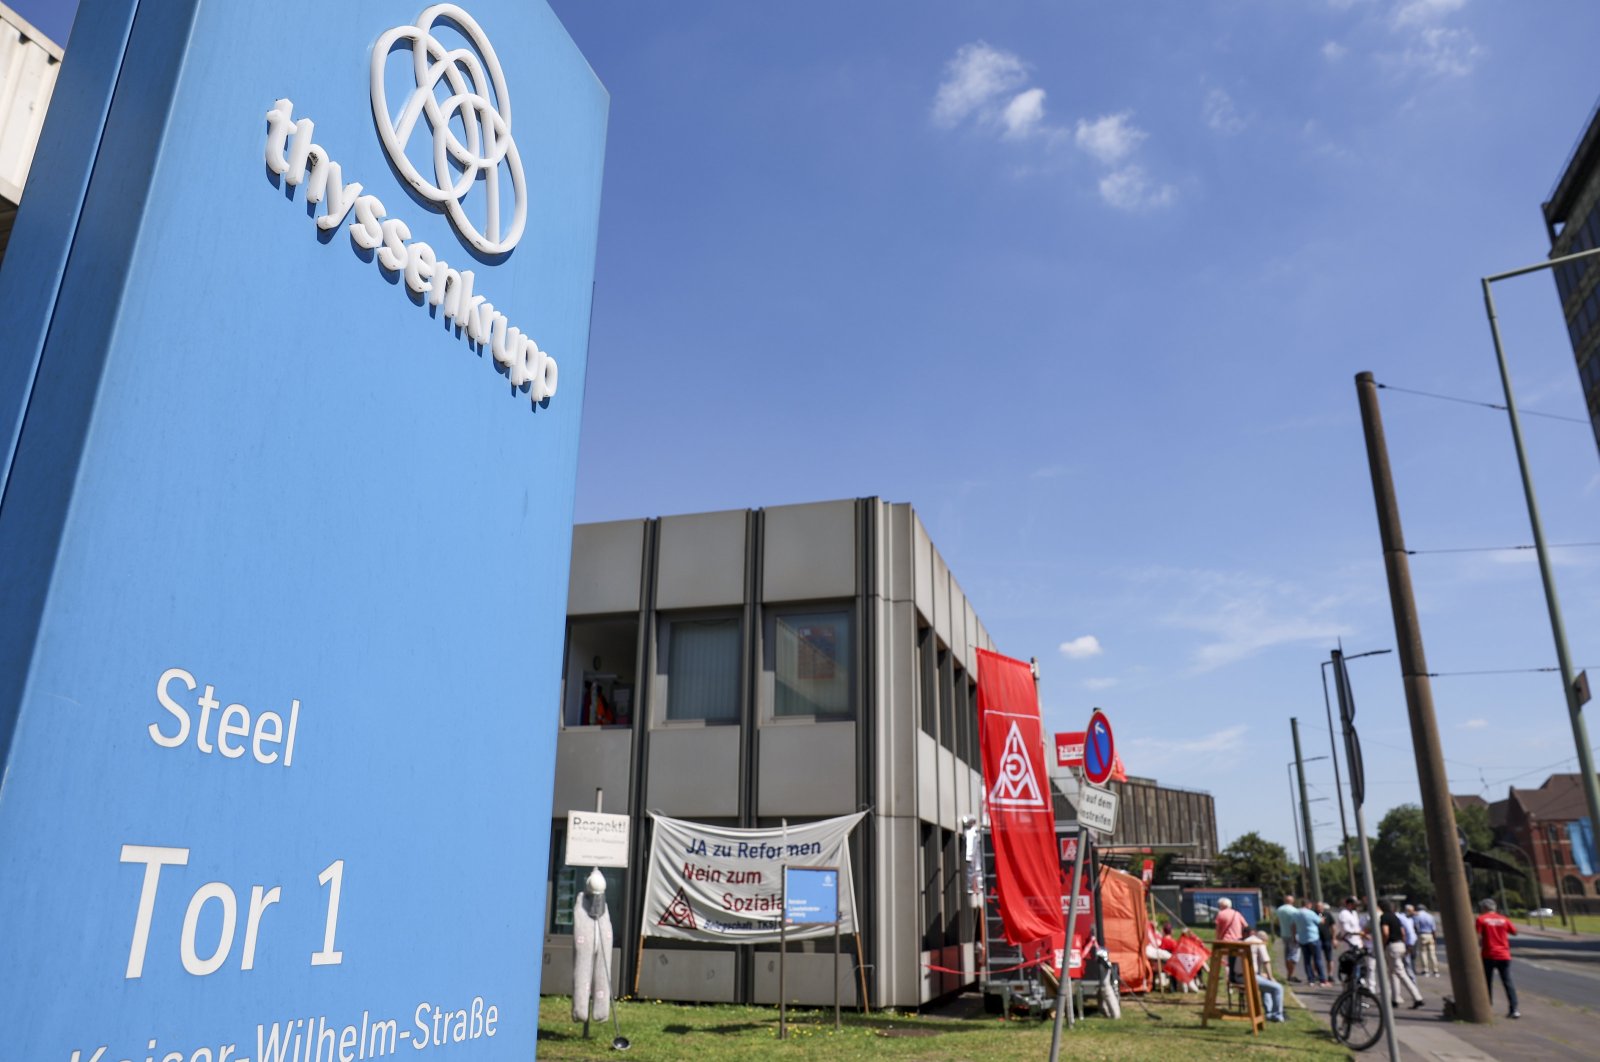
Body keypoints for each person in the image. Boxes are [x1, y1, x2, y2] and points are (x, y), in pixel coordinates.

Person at [1476, 898, 1520, 1018]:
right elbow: (1515, 932)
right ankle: (1514, 1008)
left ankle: (1487, 1007)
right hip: (1504, 955)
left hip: (1488, 954)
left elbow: (1478, 936)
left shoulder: (1481, 919)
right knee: (1507, 981)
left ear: (1484, 908)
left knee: (1487, 982)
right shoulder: (1504, 919)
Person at [1379, 900, 1425, 1009]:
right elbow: (1403, 932)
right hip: (1400, 944)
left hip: (1392, 945)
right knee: (1393, 973)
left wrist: (1382, 944)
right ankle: (1395, 998)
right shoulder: (1396, 917)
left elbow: (1385, 932)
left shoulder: (1384, 917)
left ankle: (1417, 997)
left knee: (1400, 972)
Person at [1242, 931, 1287, 1022]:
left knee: (1266, 986)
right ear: (1264, 940)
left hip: (1241, 975)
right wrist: (1271, 977)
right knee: (1278, 988)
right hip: (1250, 976)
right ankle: (1277, 1015)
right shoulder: (1259, 943)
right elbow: (1266, 961)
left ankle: (1269, 1012)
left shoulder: (1246, 941)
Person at [1296, 896, 1329, 985]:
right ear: (1308, 904)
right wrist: (1322, 915)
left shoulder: (1296, 913)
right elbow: (1320, 921)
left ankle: (1311, 979)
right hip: (1313, 938)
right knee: (1317, 959)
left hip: (1302, 938)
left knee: (1307, 961)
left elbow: (1293, 925)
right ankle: (1322, 979)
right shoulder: (1310, 913)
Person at [1215, 897, 1248, 983]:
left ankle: (1228, 982)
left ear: (1222, 905)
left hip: (1226, 941)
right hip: (1238, 941)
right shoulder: (1237, 913)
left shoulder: (1220, 914)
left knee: (1227, 963)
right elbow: (1245, 925)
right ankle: (1237, 978)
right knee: (1236, 961)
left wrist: (1217, 940)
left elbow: (1218, 930)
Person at [1274, 894, 1300, 982]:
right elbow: (1295, 924)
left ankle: (1289, 974)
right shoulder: (1294, 911)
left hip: (1284, 934)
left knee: (1287, 953)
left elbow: (1276, 921)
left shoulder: (1279, 909)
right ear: (1292, 901)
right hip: (1293, 935)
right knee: (1293, 956)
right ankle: (1290, 975)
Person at [1413, 903, 1439, 977]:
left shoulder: (1417, 916)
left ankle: (1426, 970)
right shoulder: (1430, 916)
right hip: (1430, 934)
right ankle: (1435, 970)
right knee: (1432, 953)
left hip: (1422, 934)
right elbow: (1433, 928)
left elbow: (1415, 926)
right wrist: (1434, 937)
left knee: (1423, 953)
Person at [1398, 904, 1419, 978]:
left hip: (1413, 941)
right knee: (1408, 961)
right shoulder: (1403, 918)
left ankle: (1412, 972)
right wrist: (1409, 944)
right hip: (1408, 943)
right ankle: (1411, 975)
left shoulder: (1412, 918)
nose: (1413, 912)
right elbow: (1409, 933)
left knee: (1412, 957)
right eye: (1411, 911)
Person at [1317, 900, 1336, 973]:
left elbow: (1333, 926)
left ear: (1322, 907)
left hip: (1327, 938)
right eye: (1317, 907)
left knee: (1329, 958)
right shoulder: (1313, 914)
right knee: (1317, 958)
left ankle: (1330, 975)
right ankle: (1318, 975)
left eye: (1319, 906)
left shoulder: (1328, 914)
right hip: (1317, 939)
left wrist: (1334, 939)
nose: (1318, 908)